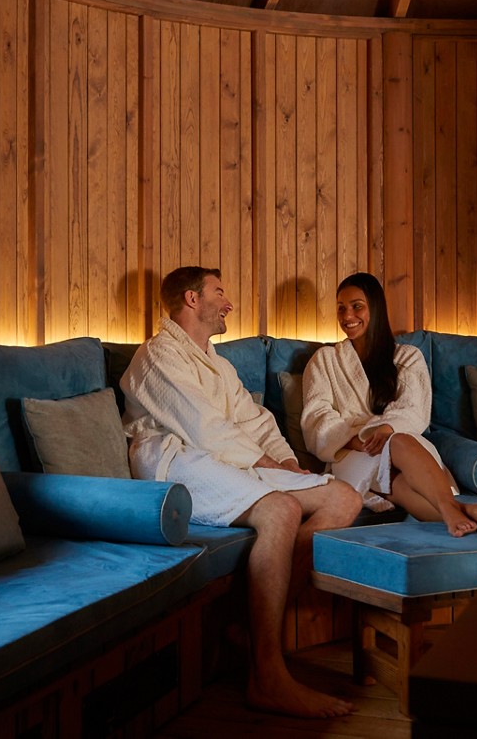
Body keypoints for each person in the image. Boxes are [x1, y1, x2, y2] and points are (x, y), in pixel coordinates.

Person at [121, 266, 362, 719]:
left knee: (343, 497)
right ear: (191, 299)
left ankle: (247, 628)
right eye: (219, 292)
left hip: (231, 460)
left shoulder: (217, 362)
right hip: (175, 462)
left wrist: (288, 464)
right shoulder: (158, 355)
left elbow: (256, 421)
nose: (228, 302)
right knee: (281, 510)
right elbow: (203, 429)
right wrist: (271, 470)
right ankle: (267, 676)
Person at [301, 271, 477, 537]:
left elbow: (414, 409)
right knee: (390, 472)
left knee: (400, 454)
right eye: (341, 308)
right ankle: (461, 510)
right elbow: (317, 417)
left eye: (357, 307)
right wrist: (359, 440)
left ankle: (459, 513)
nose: (347, 317)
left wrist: (385, 430)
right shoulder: (324, 360)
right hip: (350, 453)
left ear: (376, 308)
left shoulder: (407, 357)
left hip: (404, 446)